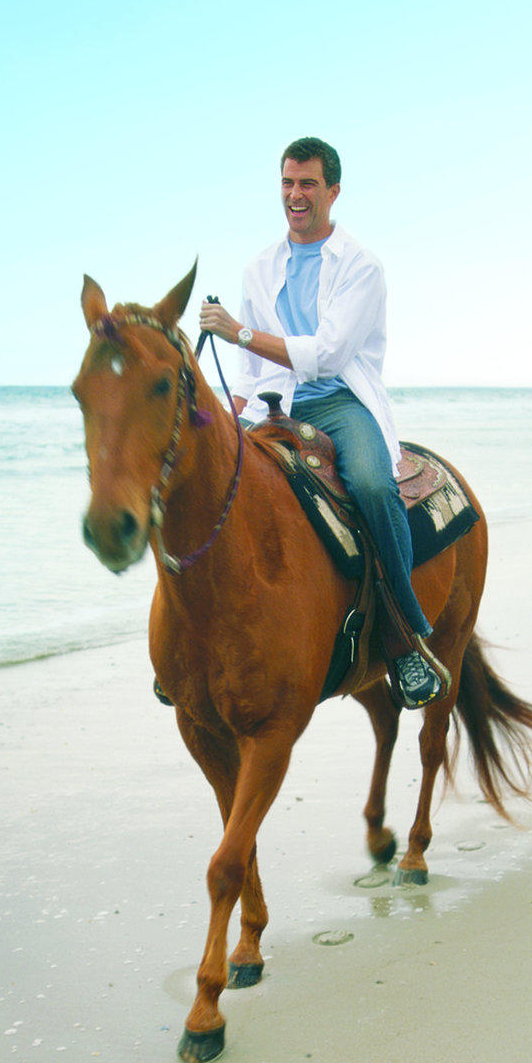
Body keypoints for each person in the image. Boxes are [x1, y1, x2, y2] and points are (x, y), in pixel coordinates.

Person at [197, 139, 444, 708]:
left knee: (374, 486)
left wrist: (236, 329)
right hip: (271, 402)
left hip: (338, 400)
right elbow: (249, 366)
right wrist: (231, 409)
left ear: (333, 191)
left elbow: (328, 356)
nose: (296, 195)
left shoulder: (361, 265)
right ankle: (196, 639)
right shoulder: (259, 267)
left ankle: (407, 640)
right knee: (206, 483)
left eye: (308, 184)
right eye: (288, 183)